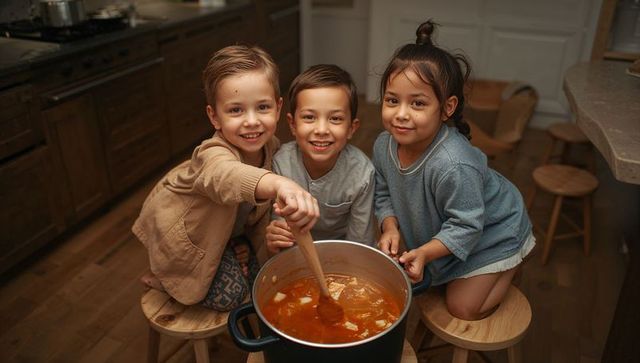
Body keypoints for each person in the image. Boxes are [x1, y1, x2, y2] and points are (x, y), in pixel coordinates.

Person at [132, 45, 319, 311]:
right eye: (236, 111)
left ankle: (230, 245)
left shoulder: (272, 147)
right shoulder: (212, 152)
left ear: (278, 108)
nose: (252, 121)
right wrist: (279, 183)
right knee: (231, 296)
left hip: (227, 229)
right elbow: (224, 176)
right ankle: (164, 277)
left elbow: (254, 212)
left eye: (262, 107)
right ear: (214, 116)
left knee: (262, 279)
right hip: (187, 236)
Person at [373, 20, 534, 320]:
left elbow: (467, 225)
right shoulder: (384, 145)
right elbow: (382, 189)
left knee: (462, 308)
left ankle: (513, 258)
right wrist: (390, 226)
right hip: (459, 224)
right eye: (392, 100)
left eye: (418, 103)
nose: (401, 114)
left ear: (447, 108)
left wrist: (424, 252)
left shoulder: (453, 164)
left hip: (494, 231)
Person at [265, 64, 376, 254]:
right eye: (309, 117)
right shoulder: (280, 163)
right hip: (295, 251)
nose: (322, 130)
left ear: (351, 128)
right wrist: (276, 235)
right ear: (292, 124)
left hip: (343, 252)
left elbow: (360, 242)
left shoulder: (363, 174)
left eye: (335, 119)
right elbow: (280, 231)